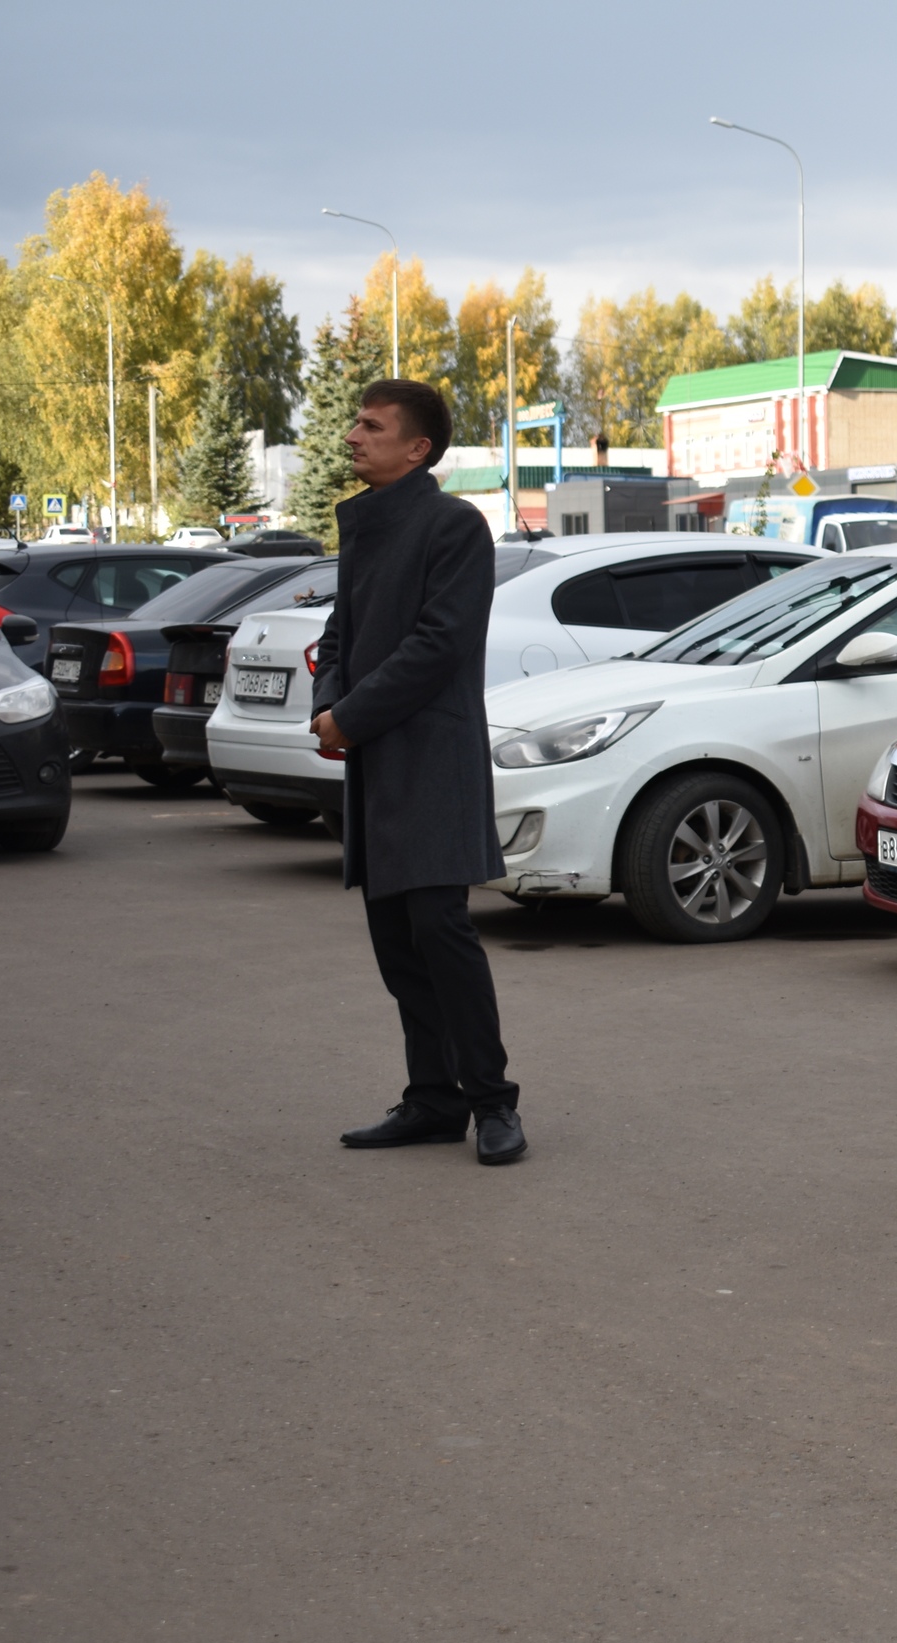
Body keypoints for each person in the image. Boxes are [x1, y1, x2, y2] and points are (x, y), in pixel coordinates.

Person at [313, 379, 524, 1167]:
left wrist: (350, 716)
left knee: (440, 931)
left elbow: (437, 646)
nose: (353, 436)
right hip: (376, 763)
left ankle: (493, 1103)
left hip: (431, 761)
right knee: (396, 941)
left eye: (372, 426)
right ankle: (432, 1100)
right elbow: (341, 634)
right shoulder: (364, 527)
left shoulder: (454, 526)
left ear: (417, 448)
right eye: (355, 420)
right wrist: (327, 703)